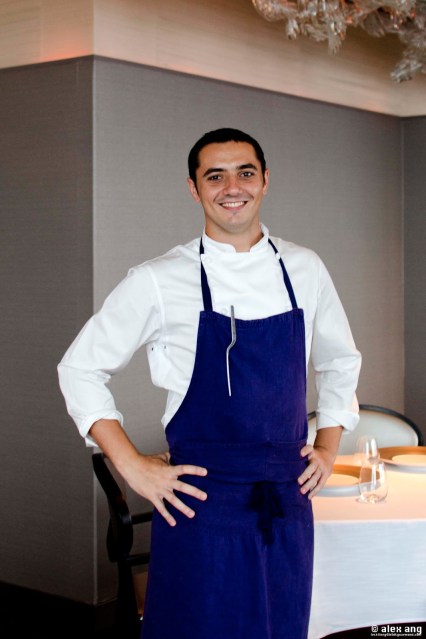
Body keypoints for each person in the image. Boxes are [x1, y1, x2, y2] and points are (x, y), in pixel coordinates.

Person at [58, 128, 361, 639]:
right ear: (193, 188)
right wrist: (131, 466)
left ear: (265, 180)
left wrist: (328, 447)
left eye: (245, 173)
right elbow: (79, 369)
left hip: (285, 501)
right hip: (200, 502)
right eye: (214, 176)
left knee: (280, 626)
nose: (232, 187)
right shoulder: (159, 279)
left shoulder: (304, 269)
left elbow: (340, 360)